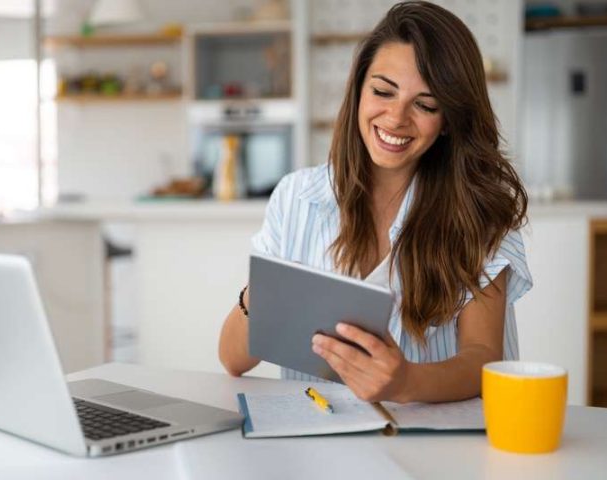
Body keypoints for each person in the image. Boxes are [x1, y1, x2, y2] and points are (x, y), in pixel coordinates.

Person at [218, 1, 532, 404]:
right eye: (383, 91)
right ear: (359, 90)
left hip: (428, 451)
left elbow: (484, 359)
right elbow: (232, 360)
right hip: (313, 451)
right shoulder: (296, 198)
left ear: (449, 120)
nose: (396, 118)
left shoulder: (477, 213)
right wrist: (264, 292)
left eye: (425, 104)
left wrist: (405, 383)